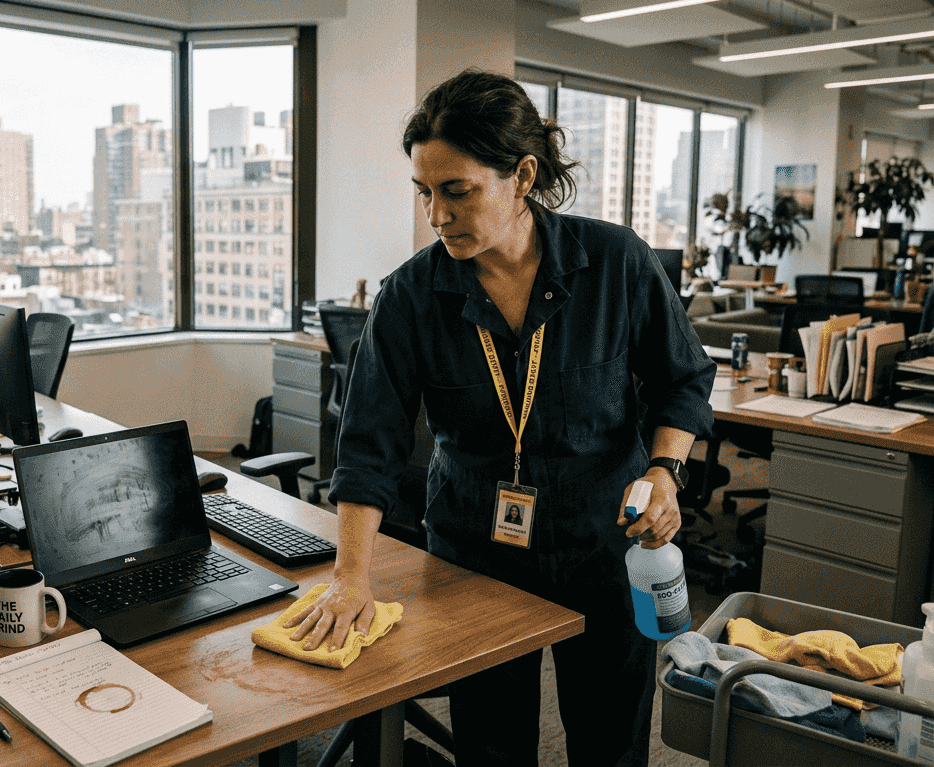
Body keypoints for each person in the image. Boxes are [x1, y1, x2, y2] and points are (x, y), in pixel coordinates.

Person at [284, 69, 715, 766]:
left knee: (610, 737)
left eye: (457, 190)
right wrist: (351, 576)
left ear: (522, 174)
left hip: (605, 539)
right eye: (425, 193)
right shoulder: (410, 296)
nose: (436, 214)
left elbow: (684, 377)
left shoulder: (615, 263)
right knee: (490, 743)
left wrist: (665, 471)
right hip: (475, 548)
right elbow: (369, 447)